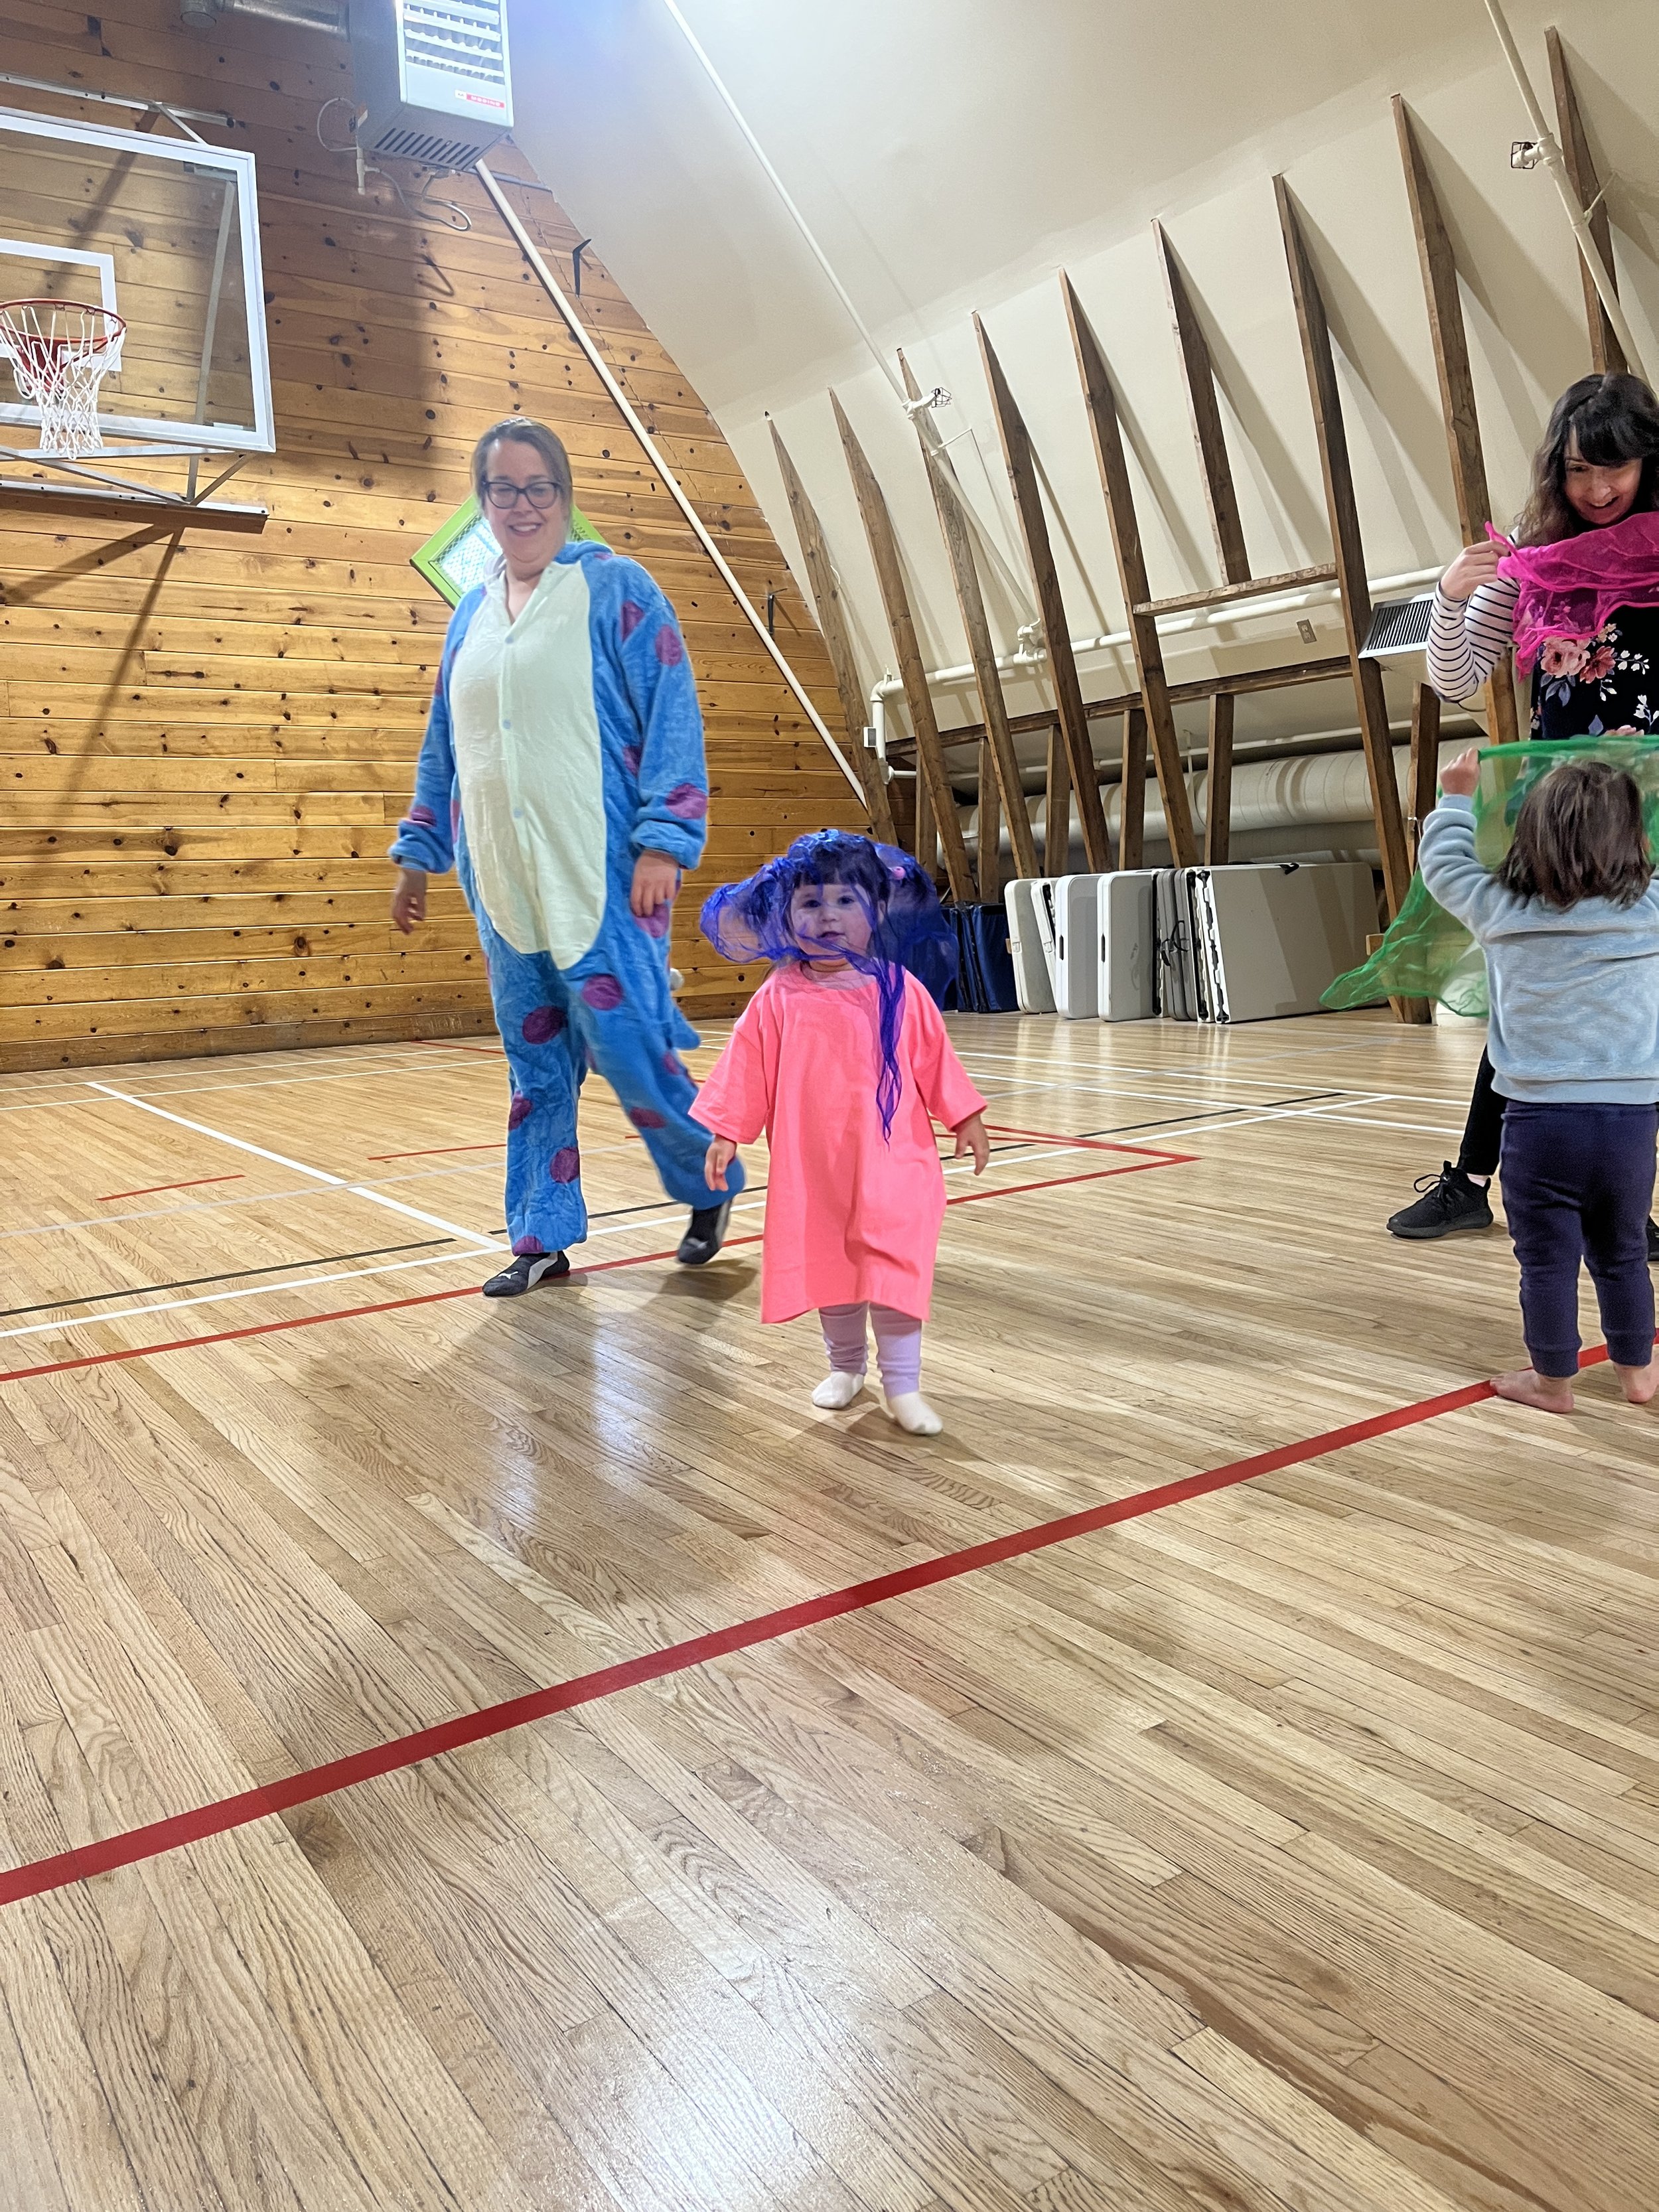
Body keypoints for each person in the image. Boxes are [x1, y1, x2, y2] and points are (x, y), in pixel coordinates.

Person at [389, 417, 740, 1295]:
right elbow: (446, 741)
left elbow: (671, 709)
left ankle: (710, 1180)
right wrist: (420, 847)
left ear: (564, 494)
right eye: (503, 489)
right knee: (534, 1061)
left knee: (628, 1046)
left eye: (538, 486)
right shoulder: (470, 614)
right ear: (483, 503)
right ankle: (540, 1235)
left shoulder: (615, 587)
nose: (521, 505)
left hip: (606, 877)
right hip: (504, 883)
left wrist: (666, 837)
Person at [1388, 371, 1659, 1246]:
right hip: (1558, 816)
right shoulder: (1529, 564)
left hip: (1649, 808)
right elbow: (1457, 675)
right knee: (1522, 992)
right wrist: (1454, 594)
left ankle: (1632, 1201)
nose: (1598, 490)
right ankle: (1470, 1180)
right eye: (1580, 472)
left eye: (1615, 469)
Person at [690, 831, 990, 1436]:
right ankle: (846, 1366)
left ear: (876, 910)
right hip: (816, 1170)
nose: (828, 916)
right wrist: (726, 1131)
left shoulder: (900, 990)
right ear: (786, 914)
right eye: (810, 903)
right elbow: (746, 1069)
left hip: (895, 1164)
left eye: (845, 902)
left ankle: (903, 1383)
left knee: (897, 1270)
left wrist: (965, 1116)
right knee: (835, 1268)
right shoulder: (779, 996)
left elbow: (936, 1062)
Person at [1419, 747, 1659, 1411]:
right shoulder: (1650, 911)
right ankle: (1638, 1375)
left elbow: (1442, 867)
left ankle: (1552, 1383)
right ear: (1635, 839)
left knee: (1547, 1259)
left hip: (1537, 1122)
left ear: (1527, 835)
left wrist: (1456, 797)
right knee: (1622, 1251)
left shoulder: (1500, 909)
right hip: (1631, 1122)